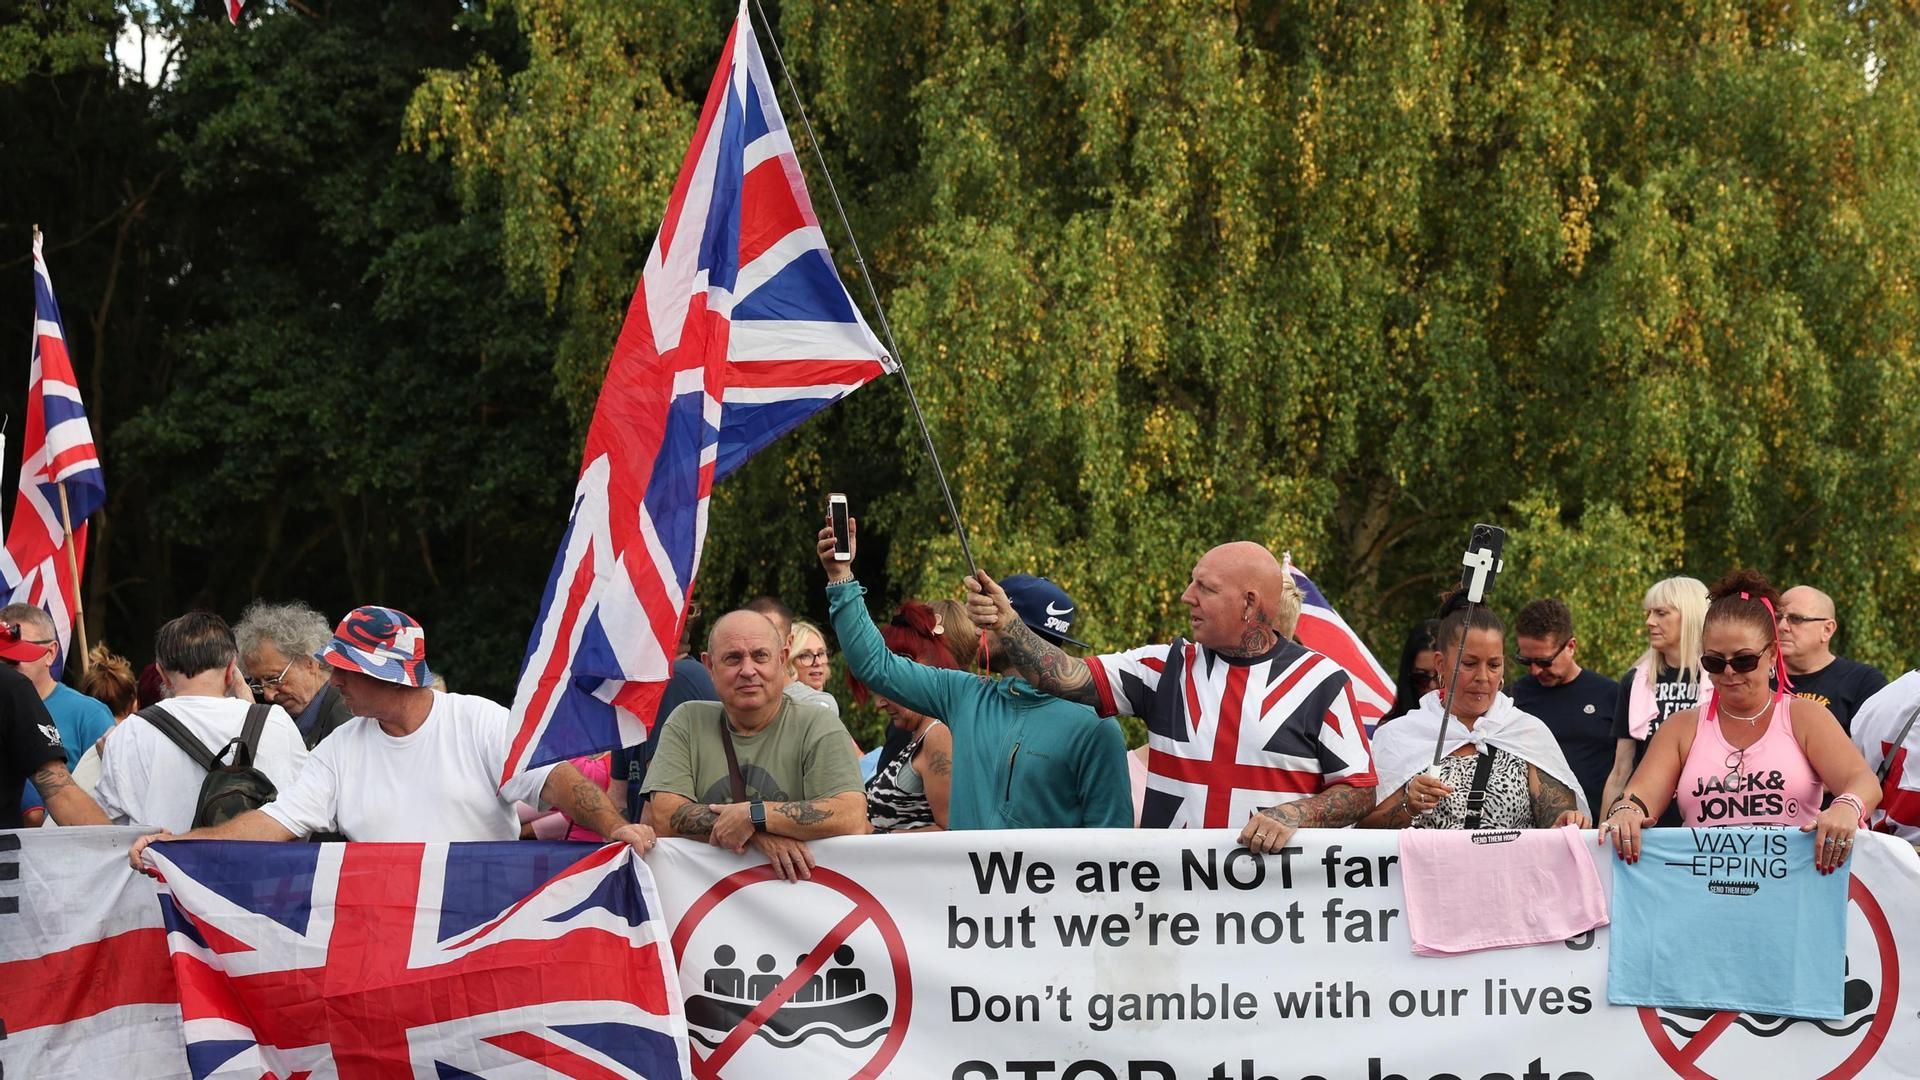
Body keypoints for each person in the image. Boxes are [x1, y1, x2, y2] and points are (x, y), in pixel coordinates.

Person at [128, 606, 654, 868]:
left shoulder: (480, 721)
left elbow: (560, 783)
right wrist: (182, 846)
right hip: (388, 945)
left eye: (347, 671)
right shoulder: (339, 750)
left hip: (489, 932)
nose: (334, 682)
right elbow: (271, 825)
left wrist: (614, 827)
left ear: (392, 675)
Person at [965, 539, 1376, 852]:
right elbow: (1066, 675)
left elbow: (1360, 790)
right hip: (1175, 908)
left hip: (1272, 916)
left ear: (1249, 603)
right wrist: (1010, 624)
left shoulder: (1322, 681)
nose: (1186, 596)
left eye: (1205, 588)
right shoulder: (1164, 669)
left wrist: (1295, 814)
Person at [824, 518, 1131, 830]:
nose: (977, 632)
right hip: (964, 882)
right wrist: (841, 577)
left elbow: (1111, 845)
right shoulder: (964, 694)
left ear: (1015, 629)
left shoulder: (1096, 726)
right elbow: (875, 666)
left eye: (988, 621)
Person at [1603, 571, 1880, 873]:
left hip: (1791, 890)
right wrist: (1626, 811)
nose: (1730, 672)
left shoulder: (1804, 717)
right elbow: (1638, 796)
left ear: (1772, 654)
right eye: (1715, 662)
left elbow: (1863, 781)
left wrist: (1845, 807)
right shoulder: (1682, 728)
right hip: (1705, 892)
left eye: (1744, 660)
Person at [643, 610, 869, 881]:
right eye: (733, 658)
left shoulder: (818, 723)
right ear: (709, 666)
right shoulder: (687, 721)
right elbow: (665, 815)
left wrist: (756, 816)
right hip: (706, 910)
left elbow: (852, 816)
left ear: (783, 660)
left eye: (760, 655)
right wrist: (756, 834)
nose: (748, 670)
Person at [1363, 593, 1589, 830]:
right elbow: (1363, 834)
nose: (1482, 677)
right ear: (1441, 664)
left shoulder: (1527, 732)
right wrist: (1408, 807)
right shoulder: (1398, 736)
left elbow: (1558, 817)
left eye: (1493, 665)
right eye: (1469, 664)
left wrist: (1567, 821)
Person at [95, 613, 310, 834]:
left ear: (162, 674)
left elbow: (112, 828)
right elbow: (306, 809)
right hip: (259, 866)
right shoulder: (275, 723)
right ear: (231, 669)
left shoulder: (129, 733)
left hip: (160, 867)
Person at [1600, 576, 1709, 825]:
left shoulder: (1722, 677)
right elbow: (1621, 769)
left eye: (1661, 613)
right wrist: (1604, 834)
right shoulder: (1637, 680)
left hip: (1706, 821)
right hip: (1646, 822)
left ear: (1691, 615)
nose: (1649, 622)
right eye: (1649, 613)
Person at [1508, 598, 1619, 815]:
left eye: (1544, 662)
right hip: (1535, 834)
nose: (1535, 671)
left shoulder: (1610, 695)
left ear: (1571, 646)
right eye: (1526, 661)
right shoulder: (1512, 699)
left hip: (1595, 831)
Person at [0, 604, 115, 812]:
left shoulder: (89, 715)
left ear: (50, 653)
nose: (7, 659)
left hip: (67, 840)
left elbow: (112, 790)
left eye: (19, 649)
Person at [853, 601, 955, 832]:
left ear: (912, 674)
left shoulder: (939, 734)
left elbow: (951, 832)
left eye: (885, 690)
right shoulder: (922, 733)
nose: (878, 703)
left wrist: (878, 836)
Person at [610, 603, 718, 820]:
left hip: (671, 846)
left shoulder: (675, 680)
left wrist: (637, 850)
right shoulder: (632, 692)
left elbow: (658, 801)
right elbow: (617, 798)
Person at [234, 600, 354, 749]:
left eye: (273, 679)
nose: (268, 695)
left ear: (309, 661)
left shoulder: (348, 721)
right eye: (258, 684)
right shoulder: (295, 717)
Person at [1776, 586, 1887, 734]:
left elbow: (1872, 749)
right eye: (1777, 618)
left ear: (1827, 630)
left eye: (1796, 619)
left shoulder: (1863, 682)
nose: (1782, 626)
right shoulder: (1756, 676)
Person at [1380, 619, 1439, 725]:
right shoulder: (1390, 729)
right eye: (1421, 677)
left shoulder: (1474, 729)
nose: (1433, 685)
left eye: (1441, 676)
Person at [784, 619, 841, 719]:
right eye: (805, 655)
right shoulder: (823, 705)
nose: (817, 662)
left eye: (821, 653)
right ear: (788, 660)